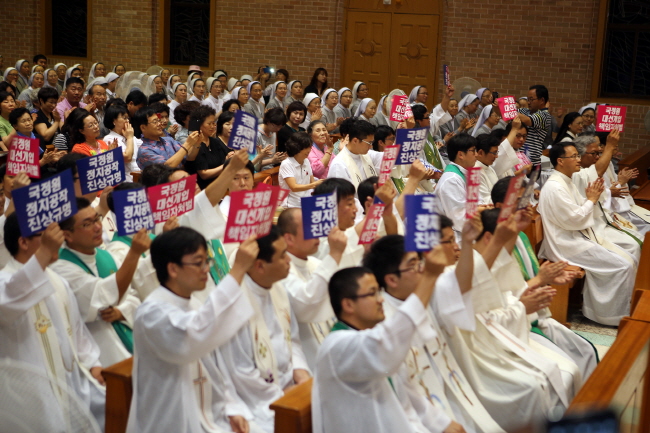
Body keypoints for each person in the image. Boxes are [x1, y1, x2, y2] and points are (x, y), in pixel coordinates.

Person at [364, 232, 504, 433]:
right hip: (418, 418)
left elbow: (462, 286)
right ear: (392, 280)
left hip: (449, 395)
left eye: (419, 262)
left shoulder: (422, 298)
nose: (421, 269)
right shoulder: (383, 322)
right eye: (413, 265)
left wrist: (467, 242)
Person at [126, 228, 258, 433]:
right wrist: (239, 269)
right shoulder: (151, 313)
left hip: (209, 415)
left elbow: (215, 368)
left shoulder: (193, 304)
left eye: (207, 261)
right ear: (173, 269)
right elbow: (192, 338)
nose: (206, 269)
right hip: (169, 423)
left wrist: (232, 407)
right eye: (198, 263)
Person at [312, 246, 449, 433]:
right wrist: (429, 277)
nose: (381, 299)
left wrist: (441, 423)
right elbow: (385, 344)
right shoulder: (337, 346)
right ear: (348, 304)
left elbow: (406, 397)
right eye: (372, 293)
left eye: (379, 291)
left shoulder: (363, 336)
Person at [1, 214, 107, 430]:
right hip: (27, 399)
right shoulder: (5, 282)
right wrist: (45, 251)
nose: (59, 241)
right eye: (50, 235)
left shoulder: (57, 280)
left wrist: (93, 363)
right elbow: (13, 295)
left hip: (69, 386)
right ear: (23, 242)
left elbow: (76, 331)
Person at [217, 226, 311, 432]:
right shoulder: (236, 303)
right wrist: (283, 396)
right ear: (260, 266)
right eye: (283, 255)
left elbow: (292, 340)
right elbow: (241, 373)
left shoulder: (277, 287)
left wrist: (301, 375)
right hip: (259, 401)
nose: (289, 260)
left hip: (291, 385)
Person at [538, 141, 637, 326]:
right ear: (560, 161)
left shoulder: (566, 181)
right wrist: (591, 199)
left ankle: (615, 310)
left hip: (575, 237)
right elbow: (574, 219)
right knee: (623, 266)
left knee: (629, 260)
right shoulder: (555, 187)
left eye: (578, 155)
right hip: (565, 244)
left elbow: (577, 212)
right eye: (574, 156)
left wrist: (592, 198)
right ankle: (608, 316)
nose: (578, 159)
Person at [51, 197, 148, 365]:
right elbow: (102, 298)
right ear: (67, 235)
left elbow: (133, 295)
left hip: (130, 344)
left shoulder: (107, 256)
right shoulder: (60, 267)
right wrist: (134, 253)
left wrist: (122, 311)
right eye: (87, 224)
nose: (97, 227)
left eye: (97, 219)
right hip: (99, 356)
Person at [433, 133, 477, 238]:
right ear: (461, 154)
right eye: (473, 151)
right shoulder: (451, 180)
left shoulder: (463, 174)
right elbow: (459, 221)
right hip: (455, 238)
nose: (476, 154)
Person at [134, 106, 202, 169]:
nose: (159, 124)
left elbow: (189, 157)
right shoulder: (144, 150)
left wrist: (197, 144)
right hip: (166, 178)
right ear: (143, 127)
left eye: (158, 120)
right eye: (155, 122)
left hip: (181, 176)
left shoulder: (169, 140)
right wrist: (188, 144)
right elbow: (167, 167)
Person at [190, 105, 233, 190]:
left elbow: (221, 163)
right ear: (199, 125)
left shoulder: (215, 141)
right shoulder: (195, 145)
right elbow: (204, 174)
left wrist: (228, 159)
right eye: (209, 123)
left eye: (213, 123)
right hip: (203, 189)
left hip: (221, 185)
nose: (213, 126)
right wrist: (227, 164)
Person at [328, 119, 378, 189]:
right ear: (355, 141)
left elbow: (386, 157)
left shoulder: (366, 154)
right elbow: (341, 194)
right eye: (369, 143)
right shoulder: (339, 164)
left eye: (372, 142)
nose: (371, 146)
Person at [279, 132, 323, 207]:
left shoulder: (306, 161)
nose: (309, 150)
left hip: (306, 201)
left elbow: (312, 181)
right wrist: (314, 184)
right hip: (290, 205)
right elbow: (294, 187)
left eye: (310, 147)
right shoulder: (286, 164)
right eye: (306, 147)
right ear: (296, 147)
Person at [103, 103, 141, 181]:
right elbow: (127, 158)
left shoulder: (130, 136)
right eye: (124, 118)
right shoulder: (109, 139)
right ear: (113, 121)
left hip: (139, 175)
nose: (127, 121)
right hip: (125, 179)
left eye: (128, 118)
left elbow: (144, 147)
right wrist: (129, 138)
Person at [517, 85, 551, 168]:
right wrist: (497, 107)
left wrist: (507, 109)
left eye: (531, 99)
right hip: (519, 160)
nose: (528, 102)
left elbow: (527, 120)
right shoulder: (524, 111)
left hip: (532, 164)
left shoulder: (544, 115)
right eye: (528, 99)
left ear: (542, 100)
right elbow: (507, 116)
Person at [474, 134, 501, 204]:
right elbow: (485, 200)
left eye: (496, 152)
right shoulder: (475, 172)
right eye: (494, 153)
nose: (497, 156)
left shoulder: (489, 167)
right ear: (480, 153)